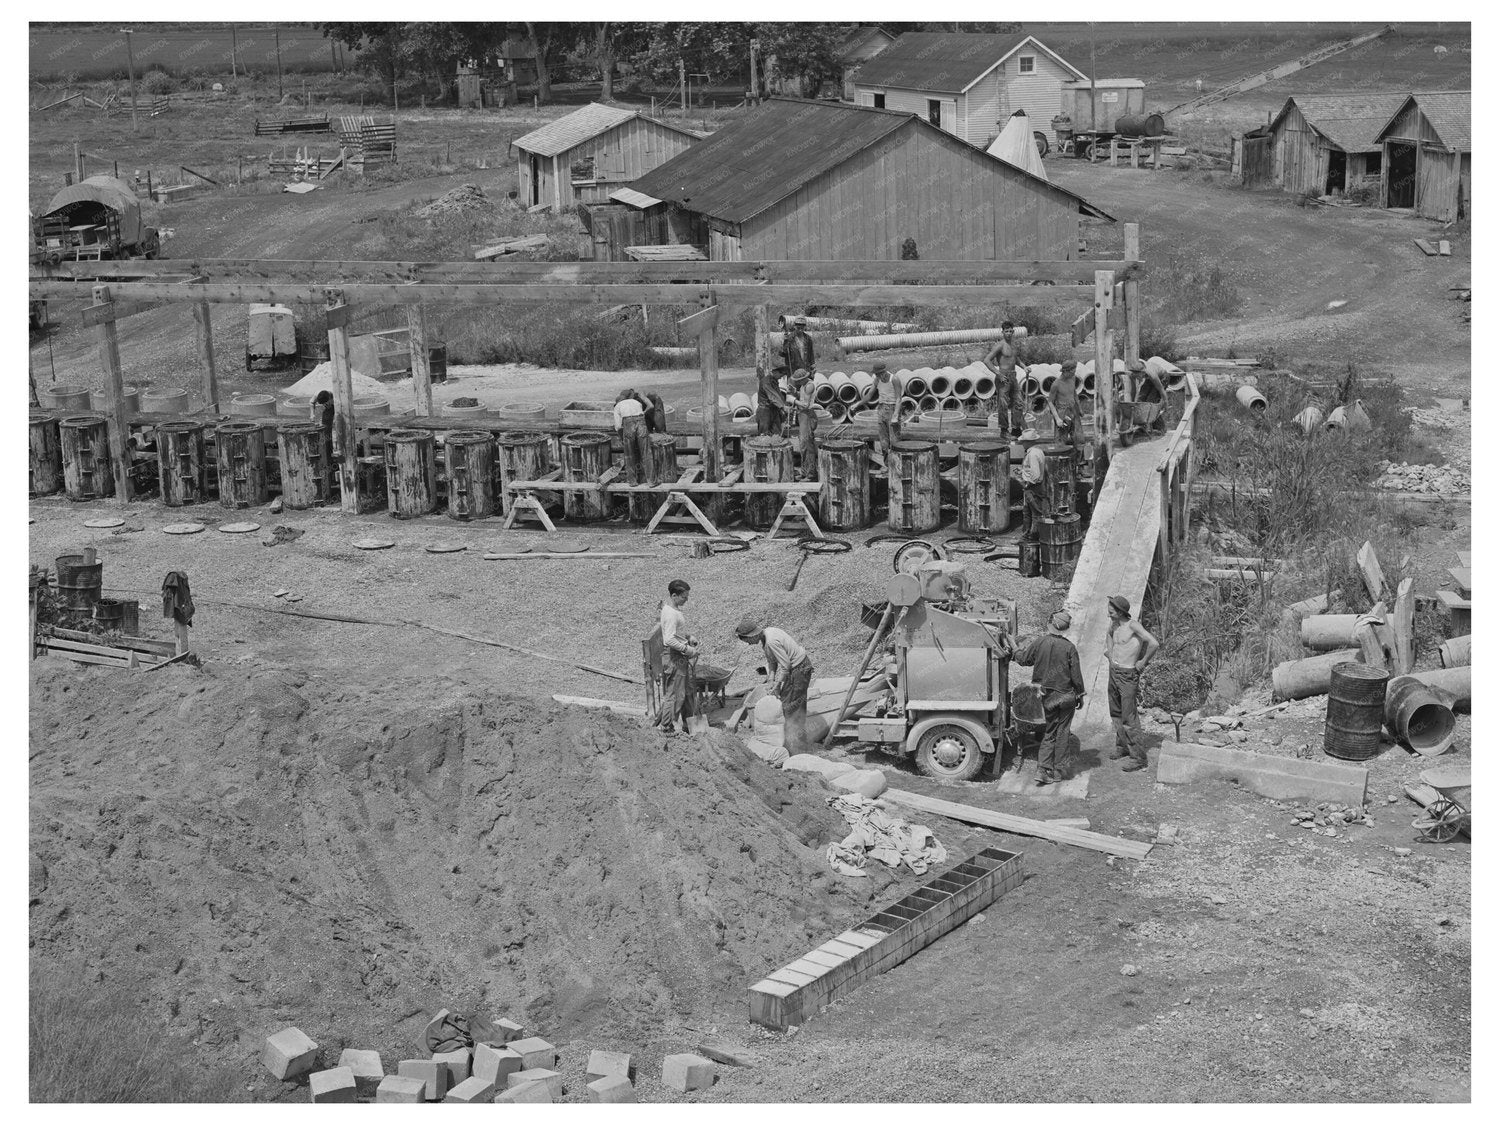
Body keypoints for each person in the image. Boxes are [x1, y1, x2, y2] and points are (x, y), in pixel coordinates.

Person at [1010, 612, 1084, 785]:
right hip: (1066, 696)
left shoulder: (1040, 642)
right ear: (1065, 628)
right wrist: (1080, 694)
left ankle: (1043, 769)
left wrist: (1015, 649)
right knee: (1063, 731)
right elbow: (1076, 676)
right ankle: (1058, 770)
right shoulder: (1069, 647)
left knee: (1050, 731)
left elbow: (1024, 660)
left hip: (1048, 696)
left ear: (1050, 624)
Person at [734, 617, 814, 756]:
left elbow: (786, 665)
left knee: (791, 708)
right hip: (797, 668)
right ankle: (794, 744)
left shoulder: (771, 641)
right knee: (791, 706)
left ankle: (797, 749)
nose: (748, 644)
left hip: (799, 670)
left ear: (752, 635)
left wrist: (777, 685)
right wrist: (771, 680)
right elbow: (772, 661)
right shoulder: (767, 635)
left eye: (747, 640)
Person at [1106, 595, 1159, 772]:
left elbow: (1154, 643)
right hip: (1114, 672)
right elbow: (1109, 636)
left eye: (1111, 611)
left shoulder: (1133, 625)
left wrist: (1143, 661)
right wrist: (1110, 655)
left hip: (1128, 675)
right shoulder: (1114, 624)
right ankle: (1122, 746)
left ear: (1121, 612)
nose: (1108, 613)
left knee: (1129, 717)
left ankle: (1138, 758)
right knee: (1116, 712)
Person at [656, 579, 700, 735]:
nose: (686, 600)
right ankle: (666, 727)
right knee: (675, 694)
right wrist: (688, 650)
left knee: (687, 692)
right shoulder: (670, 614)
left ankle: (690, 726)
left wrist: (688, 637)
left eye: (687, 596)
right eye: (684, 597)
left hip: (679, 657)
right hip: (674, 657)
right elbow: (669, 639)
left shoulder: (674, 611)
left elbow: (676, 633)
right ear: (674, 596)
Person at [982, 322, 1021, 437]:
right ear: (1002, 332)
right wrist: (998, 373)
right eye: (1006, 331)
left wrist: (1025, 367)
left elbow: (1016, 359)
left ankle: (1016, 429)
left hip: (1013, 376)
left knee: (1018, 402)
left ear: (1013, 332)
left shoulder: (1013, 345)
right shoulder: (1000, 345)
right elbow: (987, 360)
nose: (1008, 333)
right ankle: (1004, 430)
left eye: (1010, 331)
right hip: (1003, 377)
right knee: (1003, 404)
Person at [614, 389, 653, 486]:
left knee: (629, 455)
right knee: (646, 452)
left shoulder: (618, 406)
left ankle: (632, 481)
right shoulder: (636, 402)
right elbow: (644, 411)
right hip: (641, 421)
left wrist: (622, 438)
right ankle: (651, 481)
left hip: (628, 423)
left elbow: (618, 426)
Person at [1046, 360, 1083, 457]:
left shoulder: (1072, 378)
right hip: (1062, 413)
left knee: (1079, 439)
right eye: (1072, 372)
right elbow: (1050, 402)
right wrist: (1057, 418)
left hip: (1073, 410)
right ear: (1065, 371)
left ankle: (1079, 462)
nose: (1074, 374)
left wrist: (1079, 408)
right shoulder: (1056, 384)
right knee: (1060, 442)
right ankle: (1060, 461)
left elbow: (1074, 393)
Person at [790, 368, 819, 482]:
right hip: (802, 415)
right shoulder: (803, 385)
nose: (797, 382)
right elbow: (802, 396)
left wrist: (793, 400)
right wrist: (795, 393)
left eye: (798, 380)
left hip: (807, 415)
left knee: (807, 445)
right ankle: (804, 472)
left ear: (803, 379)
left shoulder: (809, 386)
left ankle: (811, 474)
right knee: (802, 445)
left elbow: (805, 404)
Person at [872, 361, 900, 460]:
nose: (878, 376)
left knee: (894, 441)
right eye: (876, 374)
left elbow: (898, 398)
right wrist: (858, 404)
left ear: (884, 372)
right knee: (883, 441)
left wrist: (895, 415)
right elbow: (869, 395)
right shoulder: (877, 380)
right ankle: (886, 462)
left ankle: (896, 463)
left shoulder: (894, 379)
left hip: (892, 408)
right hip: (881, 409)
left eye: (879, 374)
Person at [756, 364, 790, 436]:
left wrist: (784, 405)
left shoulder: (774, 380)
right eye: (781, 375)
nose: (781, 378)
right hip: (765, 411)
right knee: (764, 435)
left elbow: (779, 395)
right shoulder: (766, 382)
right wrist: (783, 407)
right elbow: (772, 397)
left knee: (776, 434)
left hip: (774, 410)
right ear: (775, 372)